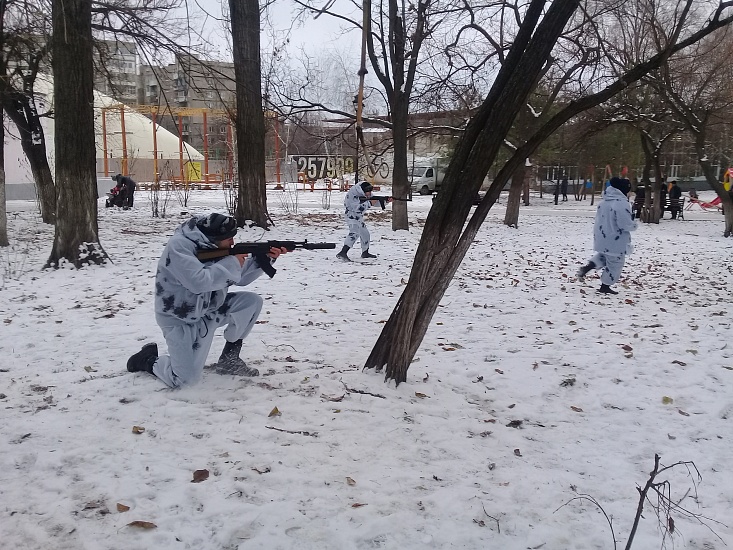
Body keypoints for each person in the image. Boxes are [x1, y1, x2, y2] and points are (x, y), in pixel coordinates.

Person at [126, 213, 288, 387]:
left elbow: (239, 278)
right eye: (229, 239)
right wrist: (232, 262)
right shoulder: (179, 247)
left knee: (251, 302)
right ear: (213, 238)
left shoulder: (213, 246)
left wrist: (266, 257)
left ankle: (229, 359)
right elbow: (198, 282)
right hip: (180, 320)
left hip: (210, 310)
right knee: (185, 381)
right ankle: (148, 360)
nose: (232, 243)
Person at [576, 177, 637, 295]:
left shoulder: (604, 201)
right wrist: (633, 224)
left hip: (602, 236)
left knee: (604, 256)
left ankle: (588, 267)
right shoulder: (621, 203)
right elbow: (624, 224)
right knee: (615, 263)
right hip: (616, 238)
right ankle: (605, 286)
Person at [336, 181, 392, 262]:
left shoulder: (365, 192)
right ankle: (343, 252)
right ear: (362, 191)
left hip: (359, 217)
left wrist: (386, 201)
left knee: (365, 234)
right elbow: (357, 208)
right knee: (354, 233)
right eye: (368, 192)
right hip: (351, 216)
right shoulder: (352, 196)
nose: (369, 194)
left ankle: (365, 252)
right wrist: (369, 203)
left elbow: (375, 202)